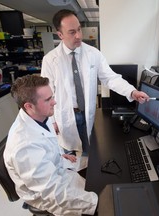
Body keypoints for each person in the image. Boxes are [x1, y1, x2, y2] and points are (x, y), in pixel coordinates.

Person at [41, 9, 149, 156]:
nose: (78, 35)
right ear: (60, 35)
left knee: (88, 153)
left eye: (79, 29)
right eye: (72, 32)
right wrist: (51, 120)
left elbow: (110, 78)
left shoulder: (93, 54)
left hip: (87, 114)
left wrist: (132, 91)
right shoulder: (50, 60)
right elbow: (47, 93)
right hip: (64, 117)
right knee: (68, 156)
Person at [4, 75, 98, 215]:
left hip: (57, 169)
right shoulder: (23, 146)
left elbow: (46, 141)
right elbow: (54, 193)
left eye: (52, 96)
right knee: (99, 203)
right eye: (48, 99)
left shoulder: (39, 115)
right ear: (29, 106)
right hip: (45, 195)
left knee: (96, 167)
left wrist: (58, 154)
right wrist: (97, 203)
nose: (54, 102)